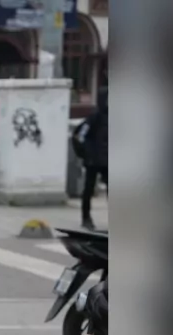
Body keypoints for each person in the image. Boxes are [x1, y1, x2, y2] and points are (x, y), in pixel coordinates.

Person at [72, 87, 108, 229]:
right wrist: (87, 153)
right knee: (88, 189)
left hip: (108, 160)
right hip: (93, 161)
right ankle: (86, 217)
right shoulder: (94, 117)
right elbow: (80, 136)